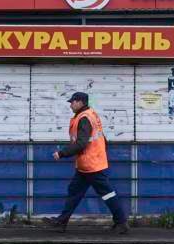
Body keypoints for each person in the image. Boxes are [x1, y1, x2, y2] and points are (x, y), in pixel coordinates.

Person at [47, 92, 129, 234]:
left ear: (80, 102)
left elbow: (81, 143)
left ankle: (121, 223)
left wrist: (62, 153)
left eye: (72, 102)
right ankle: (61, 222)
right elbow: (101, 139)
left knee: (106, 193)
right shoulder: (90, 114)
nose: (71, 105)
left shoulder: (84, 118)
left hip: (91, 165)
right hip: (88, 164)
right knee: (75, 192)